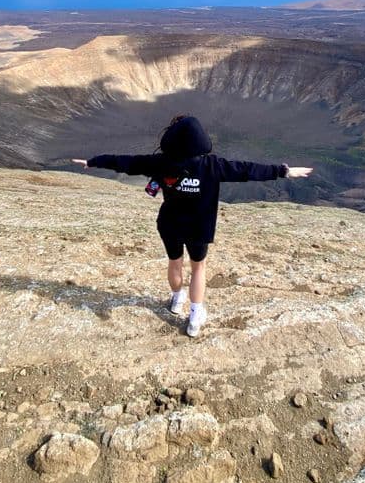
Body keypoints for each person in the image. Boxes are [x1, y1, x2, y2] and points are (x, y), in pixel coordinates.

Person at [72, 115, 312, 338]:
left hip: (170, 225)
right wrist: (284, 171)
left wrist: (93, 162)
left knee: (174, 262)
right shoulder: (213, 165)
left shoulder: (160, 163)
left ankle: (177, 300)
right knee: (198, 269)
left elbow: (125, 162)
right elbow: (247, 170)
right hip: (199, 227)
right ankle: (195, 317)